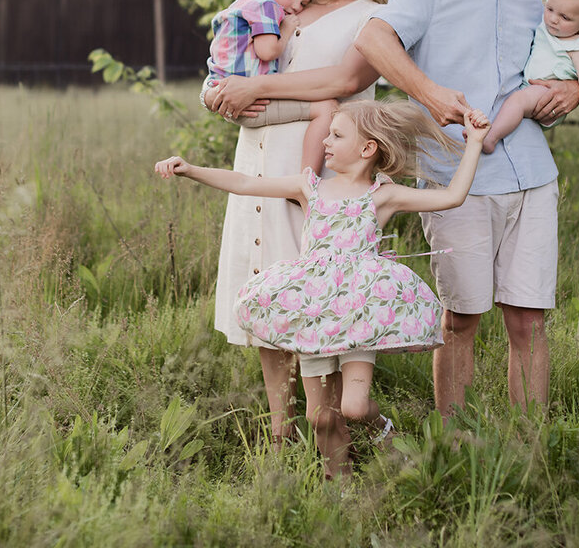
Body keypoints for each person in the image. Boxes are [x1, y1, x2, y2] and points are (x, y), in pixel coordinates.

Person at [154, 99, 492, 476]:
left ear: (367, 149)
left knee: (354, 407)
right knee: (321, 419)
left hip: (359, 316)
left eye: (336, 135)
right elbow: (246, 183)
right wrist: (190, 170)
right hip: (311, 313)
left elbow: (451, 196)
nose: (325, 142)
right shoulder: (309, 187)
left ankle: (388, 435)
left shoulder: (382, 195)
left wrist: (475, 142)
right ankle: (340, 487)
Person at [355, 0, 579, 417]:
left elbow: (569, 58)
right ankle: (454, 444)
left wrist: (573, 88)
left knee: (528, 319)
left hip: (532, 175)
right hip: (456, 177)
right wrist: (429, 95)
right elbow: (372, 37)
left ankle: (531, 448)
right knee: (462, 317)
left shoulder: (536, 5)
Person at [204, 0, 400, 451]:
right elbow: (240, 61)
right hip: (261, 153)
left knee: (317, 296)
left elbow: (340, 81)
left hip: (320, 168)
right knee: (267, 284)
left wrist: (255, 90)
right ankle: (279, 426)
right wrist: (226, 92)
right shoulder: (286, 2)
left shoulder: (371, 17)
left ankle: (331, 426)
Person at [202, 0, 336, 173]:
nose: (295, 6)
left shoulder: (241, 4)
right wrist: (286, 28)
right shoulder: (265, 5)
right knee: (327, 109)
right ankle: (306, 180)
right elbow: (267, 51)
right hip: (249, 104)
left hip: (225, 96)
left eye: (303, 3)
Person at [482, 0, 579, 154]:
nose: (553, 19)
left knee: (517, 101)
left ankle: (490, 138)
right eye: (550, 8)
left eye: (565, 17)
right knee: (505, 98)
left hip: (548, 95)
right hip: (528, 86)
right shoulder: (545, 27)